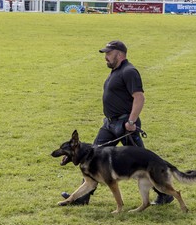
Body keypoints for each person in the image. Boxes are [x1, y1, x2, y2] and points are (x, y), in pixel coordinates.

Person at [61, 40, 174, 205]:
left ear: (120, 54)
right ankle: (82, 198)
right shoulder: (116, 71)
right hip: (109, 125)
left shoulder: (129, 71)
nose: (106, 56)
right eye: (105, 53)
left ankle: (164, 192)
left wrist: (131, 121)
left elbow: (139, 97)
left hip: (125, 125)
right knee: (91, 158)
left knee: (144, 161)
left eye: (108, 53)